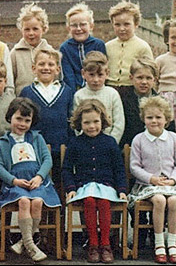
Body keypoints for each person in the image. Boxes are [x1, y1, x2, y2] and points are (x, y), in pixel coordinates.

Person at [0, 98, 61, 262]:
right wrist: (13, 181)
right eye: (18, 119)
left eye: (27, 120)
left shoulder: (37, 138)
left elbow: (47, 160)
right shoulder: (3, 143)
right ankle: (31, 246)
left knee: (37, 202)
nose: (22, 124)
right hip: (16, 184)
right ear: (10, 117)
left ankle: (23, 243)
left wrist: (39, 177)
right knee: (24, 201)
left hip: (37, 182)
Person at [63, 99, 127, 264]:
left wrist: (121, 189)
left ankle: (105, 244)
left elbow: (119, 169)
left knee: (104, 202)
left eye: (96, 121)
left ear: (103, 121)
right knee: (90, 201)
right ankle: (93, 244)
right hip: (84, 186)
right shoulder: (75, 143)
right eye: (87, 122)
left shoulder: (110, 142)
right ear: (80, 123)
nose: (92, 126)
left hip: (106, 186)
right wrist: (71, 188)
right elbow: (67, 169)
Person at [127, 96, 176, 264]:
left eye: (158, 117)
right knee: (160, 200)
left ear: (166, 119)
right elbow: (135, 166)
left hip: (170, 184)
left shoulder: (174, 138)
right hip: (148, 185)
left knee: (174, 201)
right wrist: (151, 178)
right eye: (150, 117)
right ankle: (159, 243)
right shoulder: (139, 139)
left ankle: (172, 243)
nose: (154, 121)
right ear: (143, 119)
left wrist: (173, 180)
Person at [19, 49, 74, 172]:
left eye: (50, 64)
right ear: (34, 68)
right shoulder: (26, 92)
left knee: (60, 180)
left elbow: (71, 121)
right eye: (41, 64)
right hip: (34, 147)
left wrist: (70, 143)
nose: (46, 68)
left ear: (58, 69)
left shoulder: (67, 91)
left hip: (61, 146)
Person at [118, 57, 176, 150]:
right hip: (130, 147)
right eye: (139, 78)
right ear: (131, 78)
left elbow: (169, 127)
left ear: (155, 80)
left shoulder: (162, 102)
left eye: (148, 78)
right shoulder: (123, 99)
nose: (144, 82)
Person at [73, 51, 125, 144]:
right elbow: (77, 123)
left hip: (108, 144)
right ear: (83, 73)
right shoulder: (79, 95)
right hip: (85, 144)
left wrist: (112, 142)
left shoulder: (112, 94)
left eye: (100, 75)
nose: (96, 80)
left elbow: (119, 123)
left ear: (107, 73)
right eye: (91, 75)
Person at [105, 0, 154, 95]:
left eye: (126, 24)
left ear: (136, 24)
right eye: (117, 25)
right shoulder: (107, 46)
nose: (122, 28)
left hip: (132, 90)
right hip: (110, 89)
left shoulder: (142, 46)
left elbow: (150, 71)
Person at [60, 2, 107, 91]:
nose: (78, 29)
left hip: (97, 88)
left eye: (83, 24)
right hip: (75, 90)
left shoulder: (98, 44)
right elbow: (68, 75)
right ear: (68, 28)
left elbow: (102, 70)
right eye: (74, 25)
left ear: (91, 26)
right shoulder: (65, 48)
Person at [11, 2, 54, 95]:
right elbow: (10, 81)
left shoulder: (51, 52)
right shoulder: (15, 53)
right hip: (22, 100)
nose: (31, 33)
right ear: (21, 29)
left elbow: (57, 78)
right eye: (27, 29)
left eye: (35, 29)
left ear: (43, 29)